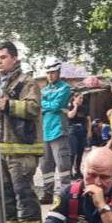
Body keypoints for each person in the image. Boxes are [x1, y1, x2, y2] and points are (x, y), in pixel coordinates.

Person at [0, 41, 44, 223]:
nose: (0, 62)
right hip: (1, 149)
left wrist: (10, 105)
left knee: (23, 193)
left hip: (23, 150)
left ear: (14, 58)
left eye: (3, 57)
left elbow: (33, 108)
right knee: (6, 196)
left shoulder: (27, 82)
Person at [39, 59, 73, 204]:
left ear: (58, 72)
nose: (50, 76)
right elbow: (41, 104)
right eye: (48, 73)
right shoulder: (44, 90)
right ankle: (47, 194)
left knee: (63, 165)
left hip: (58, 131)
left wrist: (44, 103)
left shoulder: (65, 88)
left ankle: (66, 194)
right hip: (44, 132)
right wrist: (47, 103)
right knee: (46, 166)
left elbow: (56, 105)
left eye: (52, 72)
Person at [66, 90, 89, 179]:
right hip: (72, 131)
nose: (81, 100)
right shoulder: (69, 106)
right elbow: (70, 116)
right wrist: (75, 106)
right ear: (74, 98)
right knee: (72, 152)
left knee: (80, 152)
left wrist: (89, 131)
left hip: (82, 130)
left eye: (82, 98)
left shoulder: (84, 108)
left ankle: (78, 171)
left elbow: (88, 119)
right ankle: (69, 171)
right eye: (79, 98)